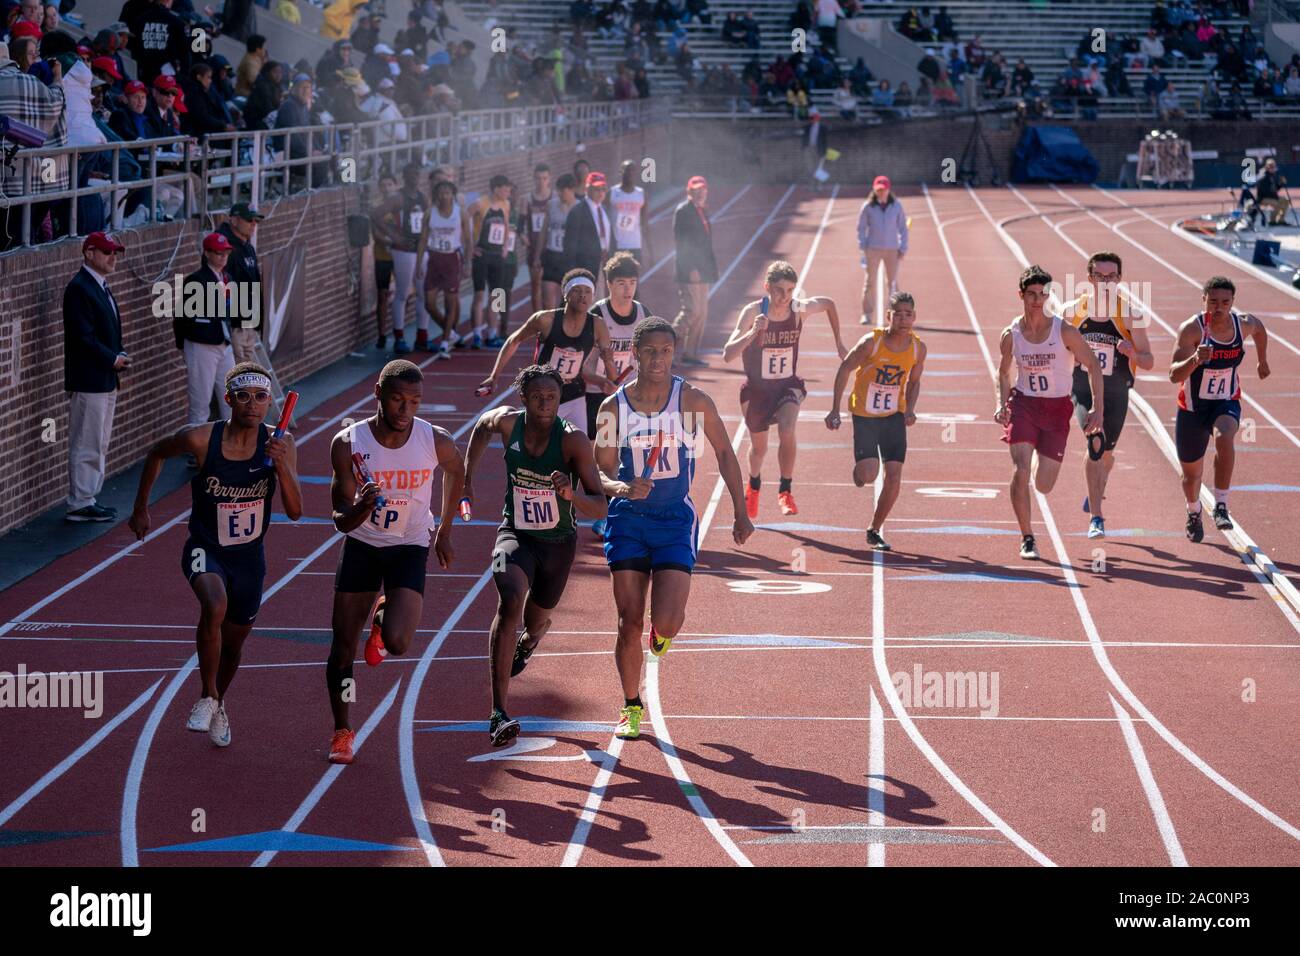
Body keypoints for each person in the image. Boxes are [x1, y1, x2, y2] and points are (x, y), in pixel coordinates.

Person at [594, 317, 755, 738]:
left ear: (673, 352)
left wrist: (741, 510)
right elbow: (600, 472)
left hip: (674, 521)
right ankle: (631, 705)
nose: (658, 359)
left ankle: (660, 635)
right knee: (628, 620)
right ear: (634, 352)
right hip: (628, 521)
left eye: (666, 351)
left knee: (667, 620)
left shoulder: (692, 401)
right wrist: (624, 488)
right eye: (649, 351)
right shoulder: (614, 408)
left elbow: (723, 450)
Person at [128, 364, 302, 746]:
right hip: (205, 548)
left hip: (249, 559)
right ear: (229, 399)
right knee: (214, 603)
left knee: (235, 643)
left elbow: (295, 510)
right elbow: (156, 454)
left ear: (270, 401)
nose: (253, 405)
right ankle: (206, 695)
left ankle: (219, 700)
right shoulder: (201, 439)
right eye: (244, 396)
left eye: (260, 397)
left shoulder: (280, 443)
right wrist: (141, 506)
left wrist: (283, 468)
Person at [325, 360, 466, 765]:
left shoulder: (433, 440)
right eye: (397, 400)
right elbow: (339, 520)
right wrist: (361, 507)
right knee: (342, 649)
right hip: (363, 545)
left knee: (400, 643)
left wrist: (445, 529)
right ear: (378, 395)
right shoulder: (348, 444)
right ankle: (342, 730)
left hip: (408, 543)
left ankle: (384, 616)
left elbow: (456, 471)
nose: (406, 410)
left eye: (415, 401)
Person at [463, 365, 610, 745]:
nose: (546, 403)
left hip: (559, 546)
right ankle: (498, 713)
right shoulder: (508, 425)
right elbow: (481, 426)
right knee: (508, 599)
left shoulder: (574, 441)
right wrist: (467, 483)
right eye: (538, 396)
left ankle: (531, 640)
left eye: (553, 397)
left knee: (537, 617)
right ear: (523, 398)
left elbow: (601, 505)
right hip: (513, 535)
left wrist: (571, 496)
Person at [995, 265, 1104, 560]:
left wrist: (1098, 409)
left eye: (1042, 294)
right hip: (1024, 405)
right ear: (1021, 295)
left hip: (1057, 410)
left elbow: (1093, 366)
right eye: (1031, 294)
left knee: (1043, 484)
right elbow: (1004, 373)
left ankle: (1035, 460)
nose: (1036, 300)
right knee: (1019, 470)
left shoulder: (1064, 331)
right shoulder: (1012, 335)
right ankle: (1027, 537)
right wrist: (1001, 403)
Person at [722, 259, 846, 518]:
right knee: (759, 450)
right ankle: (754, 485)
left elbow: (829, 304)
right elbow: (727, 355)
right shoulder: (752, 312)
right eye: (779, 290)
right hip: (757, 391)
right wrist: (752, 333)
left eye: (790, 290)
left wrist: (839, 342)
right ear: (767, 286)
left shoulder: (798, 309)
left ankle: (785, 490)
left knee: (788, 428)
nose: (784, 297)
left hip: (787, 386)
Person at [1169, 277, 1270, 542]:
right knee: (1191, 477)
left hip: (1226, 401)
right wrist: (1195, 359)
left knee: (1225, 436)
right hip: (1192, 408)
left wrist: (1262, 361)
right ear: (1204, 301)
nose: (1219, 307)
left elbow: (1259, 330)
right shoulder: (1191, 330)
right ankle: (1193, 511)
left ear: (1232, 302)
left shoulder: (1243, 324)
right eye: (1213, 301)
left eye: (1225, 302)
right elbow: (1173, 374)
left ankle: (1221, 505)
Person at [1062, 252, 1155, 538]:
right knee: (1096, 440)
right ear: (1089, 279)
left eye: (1111, 277)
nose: (1105, 282)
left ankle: (1096, 490)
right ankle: (1096, 518)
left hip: (1117, 390)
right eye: (1099, 277)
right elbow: (1059, 350)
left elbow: (1149, 360)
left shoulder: (1129, 313)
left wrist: (1132, 353)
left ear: (1119, 279)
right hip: (1083, 389)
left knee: (1106, 454)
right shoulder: (1071, 311)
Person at [825, 291, 926, 551]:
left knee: (894, 476)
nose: (903, 319)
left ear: (914, 317)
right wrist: (835, 409)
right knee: (869, 475)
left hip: (893, 416)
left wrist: (911, 409)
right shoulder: (872, 343)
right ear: (889, 317)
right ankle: (860, 471)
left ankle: (874, 529)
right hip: (866, 416)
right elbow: (845, 368)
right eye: (898, 314)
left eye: (908, 314)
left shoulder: (918, 348)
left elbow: (914, 382)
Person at [478, 268, 617, 434]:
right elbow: (514, 340)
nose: (583, 296)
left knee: (580, 449)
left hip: (574, 395)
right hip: (542, 396)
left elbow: (612, 377)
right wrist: (494, 376)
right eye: (577, 290)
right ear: (565, 294)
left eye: (588, 291)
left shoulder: (598, 325)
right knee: (538, 450)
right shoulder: (545, 320)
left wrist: (607, 366)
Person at [62, 232, 131, 522]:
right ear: (88, 253)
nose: (112, 257)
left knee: (99, 440)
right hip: (89, 377)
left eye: (114, 252)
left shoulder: (100, 286)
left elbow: (105, 331)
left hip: (104, 377)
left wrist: (119, 352)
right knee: (86, 440)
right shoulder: (80, 288)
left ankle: (88, 496)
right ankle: (80, 501)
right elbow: (82, 337)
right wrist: (112, 357)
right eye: (105, 252)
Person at [371, 162, 434, 354]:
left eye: (417, 174)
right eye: (411, 174)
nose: (415, 178)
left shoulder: (423, 198)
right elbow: (376, 214)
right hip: (403, 250)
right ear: (405, 177)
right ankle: (399, 337)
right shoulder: (397, 198)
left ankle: (422, 336)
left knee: (424, 294)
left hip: (421, 250)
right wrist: (394, 236)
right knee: (402, 293)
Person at [671, 175, 718, 366]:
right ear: (689, 192)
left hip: (704, 270)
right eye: (696, 190)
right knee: (691, 311)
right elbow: (682, 243)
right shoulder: (684, 211)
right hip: (690, 271)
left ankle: (690, 353)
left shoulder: (701, 210)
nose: (700, 193)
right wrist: (691, 268)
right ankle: (666, 349)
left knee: (702, 313)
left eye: (703, 190)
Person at [422, 178, 471, 358]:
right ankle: (450, 332)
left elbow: (468, 239)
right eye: (441, 193)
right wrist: (421, 262)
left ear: (453, 195)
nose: (445, 196)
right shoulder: (430, 213)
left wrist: (467, 263)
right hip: (434, 258)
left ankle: (444, 342)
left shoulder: (460, 213)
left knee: (451, 301)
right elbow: (422, 239)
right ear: (437, 195)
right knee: (429, 303)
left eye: (448, 193)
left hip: (452, 258)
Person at [466, 173, 514, 349]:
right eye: (506, 188)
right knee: (479, 294)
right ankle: (477, 334)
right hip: (482, 255)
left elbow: (506, 225)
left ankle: (492, 333)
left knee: (497, 295)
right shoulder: (481, 203)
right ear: (496, 189)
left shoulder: (506, 204)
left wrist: (505, 248)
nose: (508, 192)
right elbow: (465, 218)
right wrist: (470, 247)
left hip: (497, 256)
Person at [216, 202, 265, 365]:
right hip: (234, 326)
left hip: (248, 323)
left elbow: (255, 283)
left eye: (256, 221)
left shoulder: (248, 246)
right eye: (249, 220)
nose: (253, 224)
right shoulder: (223, 248)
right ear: (234, 220)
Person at [857, 175, 908, 326]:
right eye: (878, 190)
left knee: (892, 283)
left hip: (892, 249)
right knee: (870, 282)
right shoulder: (868, 206)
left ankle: (895, 315)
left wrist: (903, 246)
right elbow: (861, 228)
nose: (881, 192)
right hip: (872, 249)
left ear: (888, 189)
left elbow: (903, 228)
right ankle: (866, 314)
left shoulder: (897, 206)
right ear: (874, 189)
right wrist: (863, 246)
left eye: (883, 190)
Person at [562, 170, 613, 289]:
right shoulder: (577, 211)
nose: (601, 192)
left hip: (604, 264)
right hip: (586, 267)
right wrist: (574, 274)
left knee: (601, 303)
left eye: (603, 189)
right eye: (597, 189)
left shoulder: (605, 209)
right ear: (587, 189)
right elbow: (570, 245)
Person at [539, 173, 579, 310]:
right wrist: (538, 255)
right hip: (552, 255)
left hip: (569, 259)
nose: (560, 194)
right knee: (547, 298)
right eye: (558, 190)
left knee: (567, 301)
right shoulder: (551, 205)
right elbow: (544, 231)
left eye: (563, 191)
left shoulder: (580, 208)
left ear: (572, 189)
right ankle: (549, 330)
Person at [523, 163, 554, 316]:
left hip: (552, 249)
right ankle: (538, 320)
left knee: (550, 287)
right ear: (533, 179)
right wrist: (522, 236)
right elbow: (518, 224)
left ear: (549, 179)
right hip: (534, 248)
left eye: (544, 178)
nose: (541, 181)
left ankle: (551, 320)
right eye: (538, 178)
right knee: (535, 285)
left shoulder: (554, 198)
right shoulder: (527, 199)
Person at [609, 159, 653, 263]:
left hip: (635, 245)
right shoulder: (612, 193)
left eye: (633, 170)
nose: (630, 173)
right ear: (621, 172)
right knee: (616, 278)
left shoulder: (641, 194)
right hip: (617, 246)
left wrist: (651, 251)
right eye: (627, 170)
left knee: (634, 279)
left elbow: (645, 223)